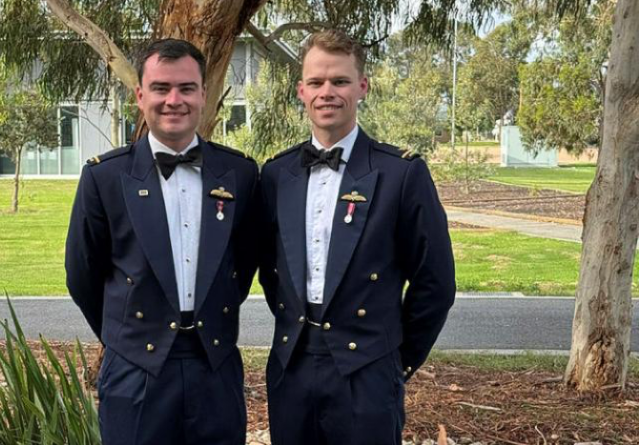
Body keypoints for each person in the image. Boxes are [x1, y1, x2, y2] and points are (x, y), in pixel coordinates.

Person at [258, 30, 456, 445]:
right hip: (291, 366)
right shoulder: (277, 175)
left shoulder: (402, 174)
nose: (327, 92)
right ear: (301, 90)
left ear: (362, 87)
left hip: (367, 368)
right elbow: (270, 270)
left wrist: (394, 360)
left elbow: (435, 283)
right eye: (316, 82)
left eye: (340, 81)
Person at [65, 38, 259, 445]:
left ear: (204, 94)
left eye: (187, 88)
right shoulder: (104, 178)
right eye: (161, 88)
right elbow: (83, 274)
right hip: (136, 368)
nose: (175, 100)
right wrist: (128, 335)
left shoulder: (239, 174)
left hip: (215, 364)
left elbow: (242, 267)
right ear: (140, 95)